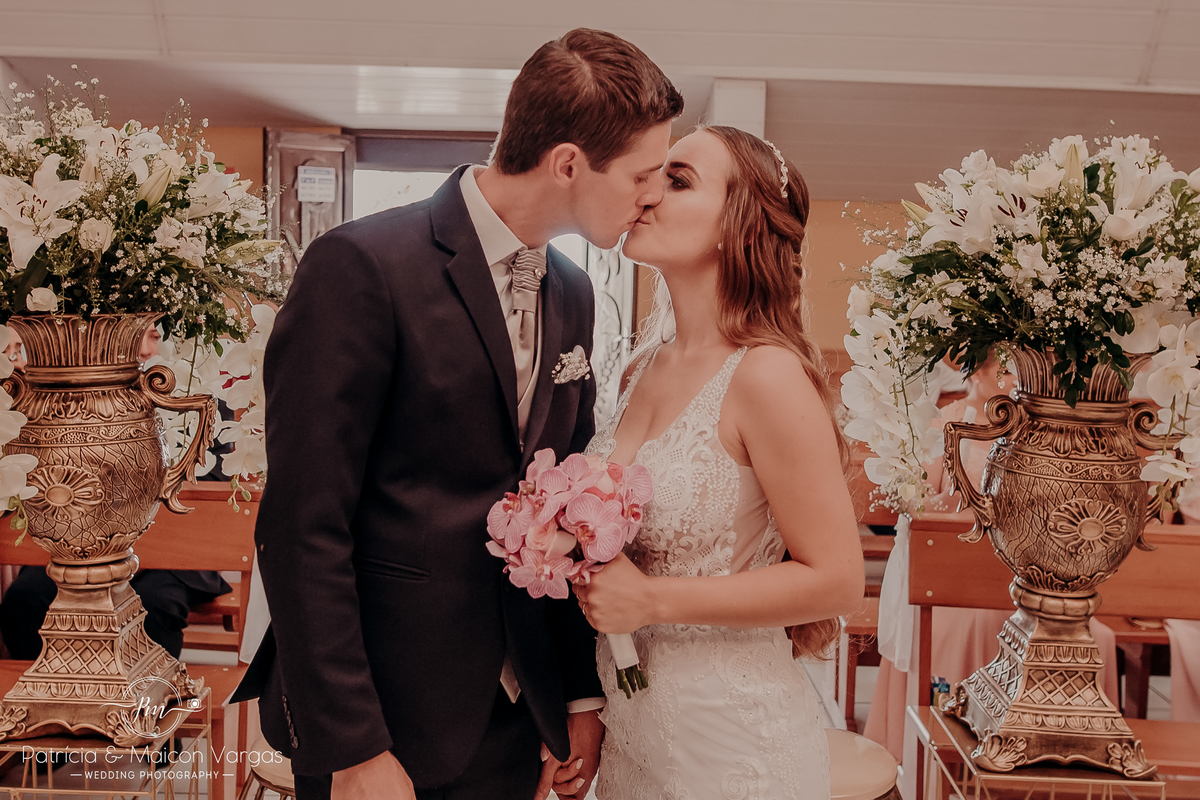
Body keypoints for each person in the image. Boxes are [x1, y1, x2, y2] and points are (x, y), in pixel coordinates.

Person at [230, 28, 684, 800]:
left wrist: (575, 695)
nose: (652, 196)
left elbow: (570, 508)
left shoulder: (574, 293)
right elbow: (303, 525)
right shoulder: (362, 266)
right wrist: (354, 748)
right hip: (384, 718)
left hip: (515, 718)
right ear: (568, 163)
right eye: (643, 174)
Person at [573, 126, 865, 799]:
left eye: (678, 180)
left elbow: (837, 580)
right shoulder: (640, 370)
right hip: (634, 737)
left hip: (731, 746)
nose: (648, 194)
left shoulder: (767, 375)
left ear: (739, 226)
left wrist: (652, 600)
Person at [864, 352, 1119, 762]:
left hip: (1022, 573)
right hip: (955, 576)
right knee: (972, 623)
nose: (1014, 379)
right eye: (1005, 368)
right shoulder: (944, 425)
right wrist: (965, 508)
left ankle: (1052, 749)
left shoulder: (1035, 432)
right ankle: (956, 745)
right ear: (974, 369)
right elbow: (918, 507)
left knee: (1096, 635)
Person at [0, 325, 231, 661]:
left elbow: (215, 478)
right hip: (81, 543)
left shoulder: (199, 387)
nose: (143, 349)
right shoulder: (77, 391)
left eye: (153, 337)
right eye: (134, 337)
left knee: (154, 605)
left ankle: (150, 694)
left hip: (174, 557)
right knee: (24, 599)